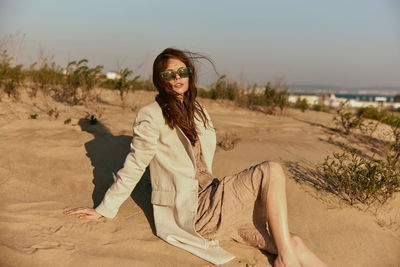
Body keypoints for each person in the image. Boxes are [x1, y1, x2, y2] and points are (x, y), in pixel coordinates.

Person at [65, 48, 328, 267]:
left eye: (183, 71)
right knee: (272, 170)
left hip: (215, 199)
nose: (178, 77)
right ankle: (285, 260)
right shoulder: (151, 114)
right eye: (169, 73)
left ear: (190, 74)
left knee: (293, 243)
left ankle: (287, 255)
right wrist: (104, 209)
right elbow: (134, 165)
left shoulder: (197, 109)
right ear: (160, 79)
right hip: (196, 210)